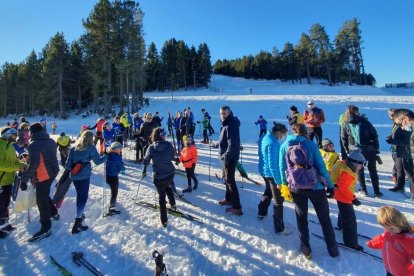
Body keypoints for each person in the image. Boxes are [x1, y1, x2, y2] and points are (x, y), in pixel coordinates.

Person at [279, 123, 338, 259]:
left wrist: (285, 185)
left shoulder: (284, 146)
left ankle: (306, 249)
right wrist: (329, 185)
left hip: (296, 187)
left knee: (301, 218)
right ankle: (332, 248)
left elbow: (282, 168)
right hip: (315, 186)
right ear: (305, 133)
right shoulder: (311, 145)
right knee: (324, 218)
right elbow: (321, 166)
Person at [21, 123, 60, 242]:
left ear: (32, 133)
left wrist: (24, 178)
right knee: (43, 193)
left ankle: (46, 227)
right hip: (53, 172)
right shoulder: (51, 141)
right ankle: (53, 212)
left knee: (41, 200)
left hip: (43, 175)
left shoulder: (34, 145)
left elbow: (34, 165)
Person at [65, 130, 107, 234]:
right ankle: (77, 222)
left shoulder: (73, 149)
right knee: (83, 197)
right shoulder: (90, 148)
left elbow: (67, 165)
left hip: (74, 176)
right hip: (84, 176)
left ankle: (80, 213)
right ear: (91, 139)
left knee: (79, 195)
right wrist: (106, 155)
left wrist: (76, 164)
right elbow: (97, 161)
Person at [341, 105, 382, 197]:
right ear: (357, 112)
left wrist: (347, 150)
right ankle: (377, 191)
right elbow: (374, 134)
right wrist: (376, 147)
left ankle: (363, 190)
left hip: (354, 150)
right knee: (373, 170)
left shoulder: (345, 123)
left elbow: (344, 138)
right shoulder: (365, 121)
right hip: (369, 149)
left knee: (359, 170)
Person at [330, 149, 365, 251]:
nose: (362, 166)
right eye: (361, 164)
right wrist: (353, 198)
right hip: (343, 196)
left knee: (343, 212)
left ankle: (341, 226)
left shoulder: (343, 163)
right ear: (355, 163)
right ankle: (351, 242)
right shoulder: (348, 173)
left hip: (338, 193)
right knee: (350, 219)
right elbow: (343, 188)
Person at [257, 122, 289, 234]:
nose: (282, 138)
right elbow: (273, 164)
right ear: (278, 132)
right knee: (278, 200)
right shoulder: (273, 143)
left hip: (264, 171)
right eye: (282, 136)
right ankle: (279, 227)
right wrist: (278, 181)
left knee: (268, 191)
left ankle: (262, 210)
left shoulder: (265, 137)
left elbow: (260, 153)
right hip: (271, 174)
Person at [142, 127, 177, 227]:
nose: (165, 137)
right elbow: (171, 157)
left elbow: (146, 161)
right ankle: (173, 204)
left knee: (162, 196)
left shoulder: (151, 147)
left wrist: (145, 157)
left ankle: (164, 220)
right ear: (161, 136)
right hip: (170, 173)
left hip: (159, 177)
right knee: (167, 187)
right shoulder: (168, 145)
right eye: (164, 135)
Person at [366, 206, 414, 276]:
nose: (388, 231)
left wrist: (406, 272)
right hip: (390, 270)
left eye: (391, 228)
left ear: (400, 224)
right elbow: (383, 238)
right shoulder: (390, 232)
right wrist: (373, 243)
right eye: (385, 228)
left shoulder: (409, 240)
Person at [0, 128, 26, 238]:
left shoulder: (10, 145)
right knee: (0, 205)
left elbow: (14, 160)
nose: (16, 137)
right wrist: (16, 167)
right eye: (14, 135)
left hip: (8, 180)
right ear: (7, 135)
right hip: (1, 180)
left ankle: (4, 224)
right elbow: (1, 164)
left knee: (5, 204)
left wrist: (22, 165)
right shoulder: (0, 145)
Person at [216, 106, 242, 215]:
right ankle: (228, 198)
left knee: (230, 181)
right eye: (221, 113)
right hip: (226, 157)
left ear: (229, 113)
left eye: (225, 113)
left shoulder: (231, 125)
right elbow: (224, 141)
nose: (223, 115)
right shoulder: (226, 124)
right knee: (226, 179)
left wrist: (225, 158)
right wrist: (215, 144)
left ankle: (237, 207)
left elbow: (232, 145)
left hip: (229, 158)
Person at [386, 108, 413, 193]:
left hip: (406, 152)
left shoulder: (407, 127)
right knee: (399, 169)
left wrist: (394, 141)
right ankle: (399, 185)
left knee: (409, 173)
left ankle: (412, 190)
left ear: (405, 118)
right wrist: (390, 138)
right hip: (397, 150)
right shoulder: (396, 124)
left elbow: (407, 141)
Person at [105, 142, 125, 215]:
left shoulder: (108, 154)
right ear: (116, 149)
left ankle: (112, 205)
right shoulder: (117, 157)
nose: (121, 150)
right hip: (113, 177)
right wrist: (123, 168)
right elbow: (121, 167)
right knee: (114, 192)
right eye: (120, 149)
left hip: (107, 176)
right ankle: (112, 208)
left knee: (113, 191)